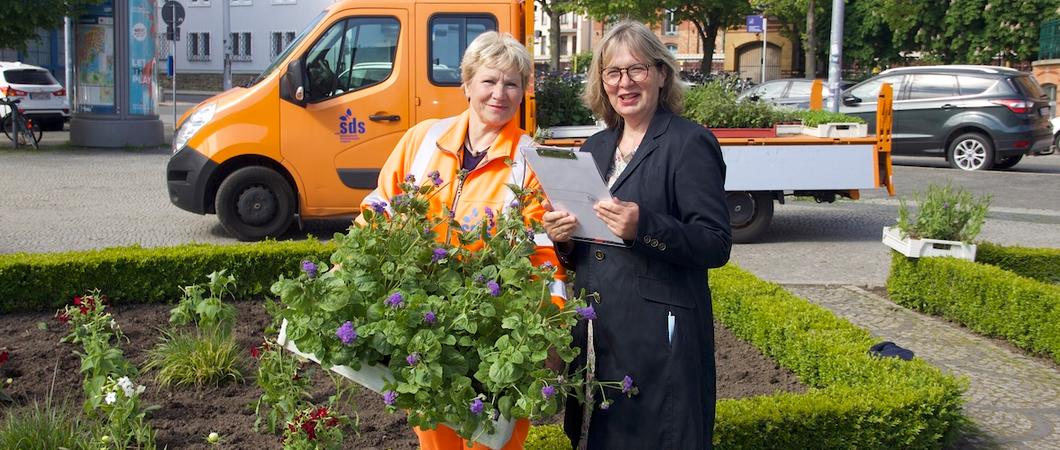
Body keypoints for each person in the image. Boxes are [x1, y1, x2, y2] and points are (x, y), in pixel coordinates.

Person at [358, 31, 567, 450]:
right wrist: (348, 267)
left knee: (495, 439)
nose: (499, 94)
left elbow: (541, 253)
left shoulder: (531, 159)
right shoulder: (421, 140)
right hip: (426, 322)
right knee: (435, 436)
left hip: (496, 327)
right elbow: (379, 208)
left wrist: (549, 324)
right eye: (489, 81)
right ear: (466, 84)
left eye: (512, 83)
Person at [542, 21, 731, 449]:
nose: (624, 83)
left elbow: (715, 243)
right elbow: (588, 251)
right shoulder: (594, 148)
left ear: (662, 75)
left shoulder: (689, 143)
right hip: (597, 333)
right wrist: (565, 239)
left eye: (637, 70)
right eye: (613, 72)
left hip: (659, 341)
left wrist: (643, 227)